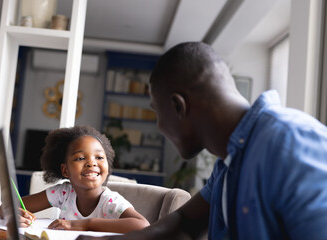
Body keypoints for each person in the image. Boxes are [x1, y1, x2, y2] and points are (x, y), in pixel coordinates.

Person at [76, 42, 327, 240]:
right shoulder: (228, 162)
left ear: (178, 106)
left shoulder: (291, 141)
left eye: (156, 112)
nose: (159, 126)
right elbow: (184, 221)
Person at [0, 125, 149, 233]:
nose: (91, 162)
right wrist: (12, 214)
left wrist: (86, 224)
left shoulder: (110, 202)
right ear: (65, 170)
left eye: (99, 157)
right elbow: (7, 206)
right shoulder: (63, 193)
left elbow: (142, 225)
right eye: (81, 158)